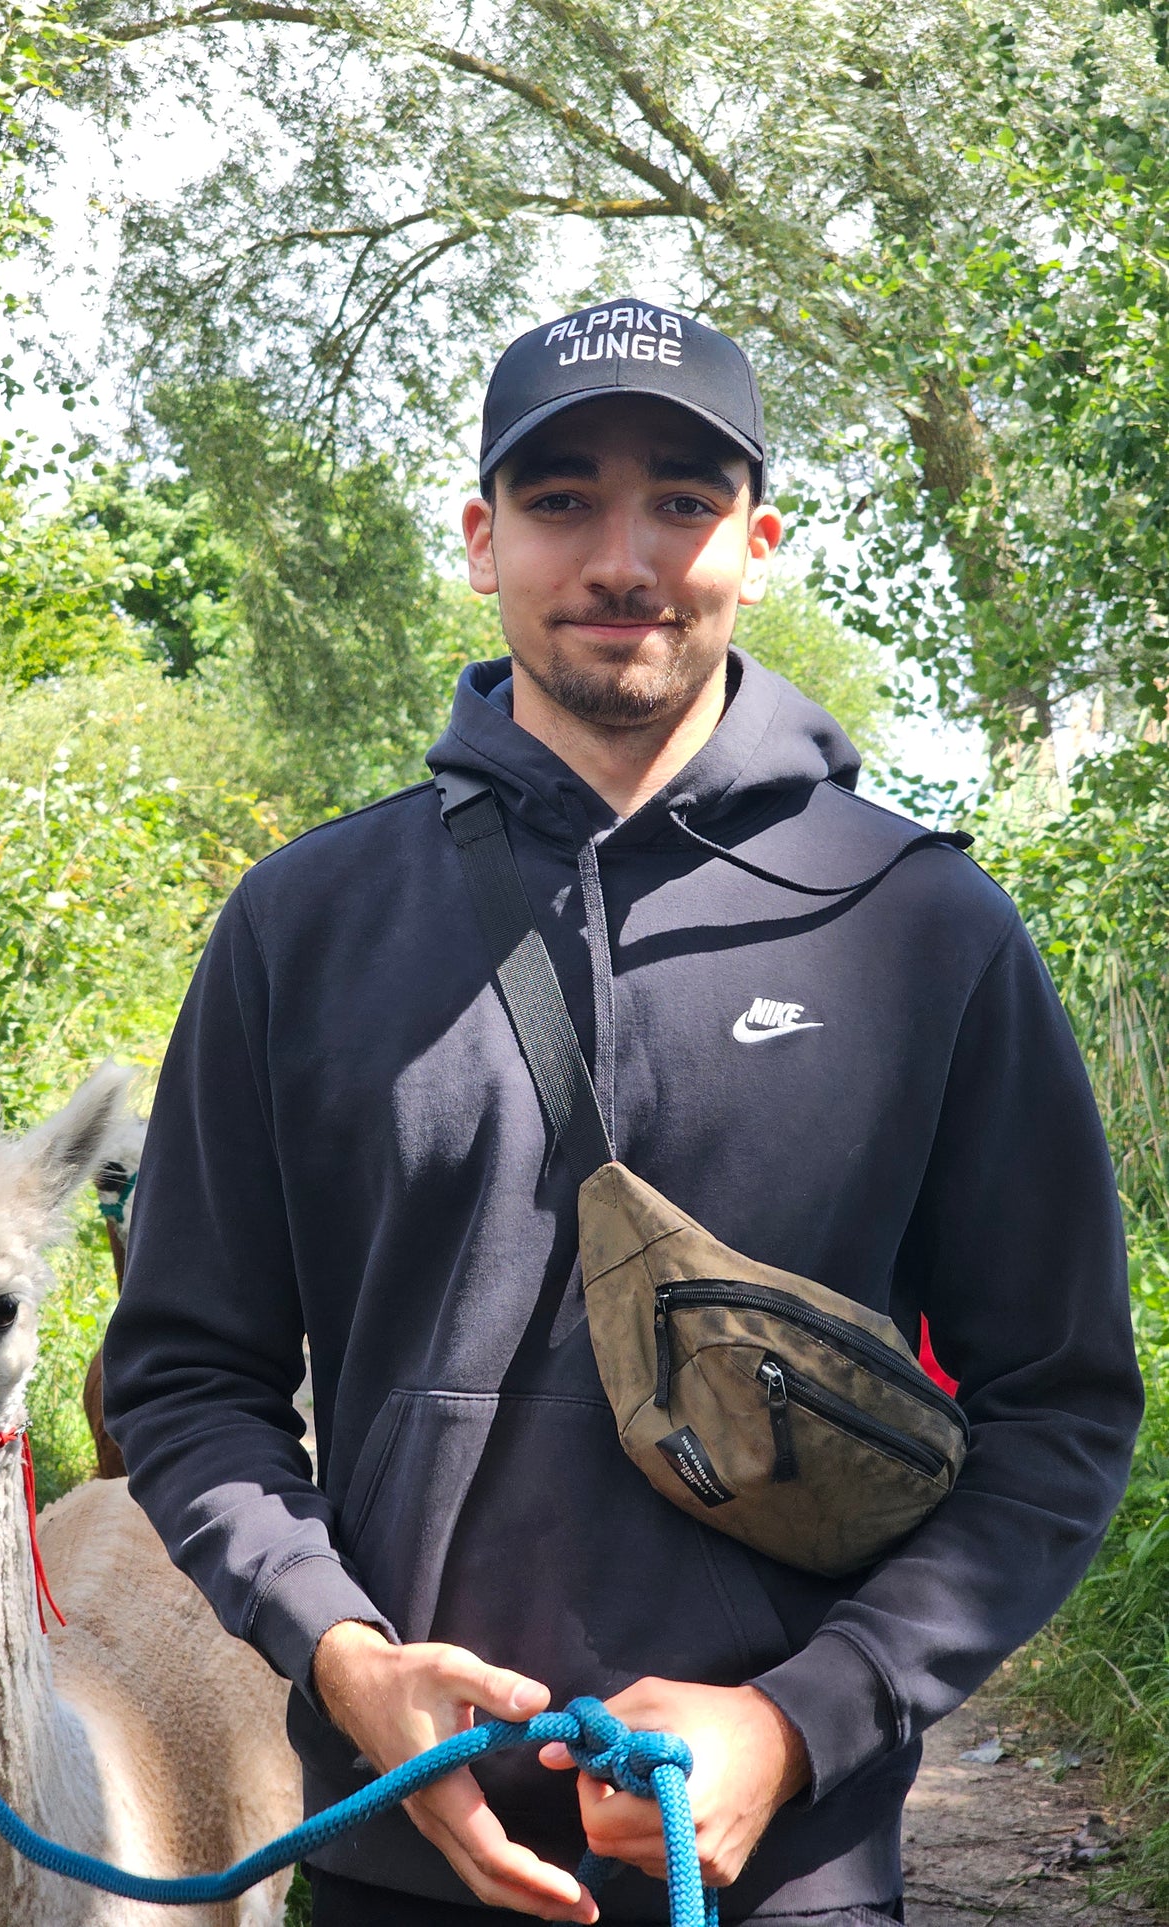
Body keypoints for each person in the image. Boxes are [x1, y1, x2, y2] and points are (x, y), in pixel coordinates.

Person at [102, 299, 1143, 1925]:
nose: (622, 557)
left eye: (681, 498)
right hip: (393, 1855)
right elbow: (184, 1377)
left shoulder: (924, 923)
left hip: (787, 1873)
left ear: (756, 537)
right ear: (478, 538)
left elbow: (1060, 1405)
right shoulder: (302, 925)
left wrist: (805, 1722)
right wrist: (337, 1649)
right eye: (561, 497)